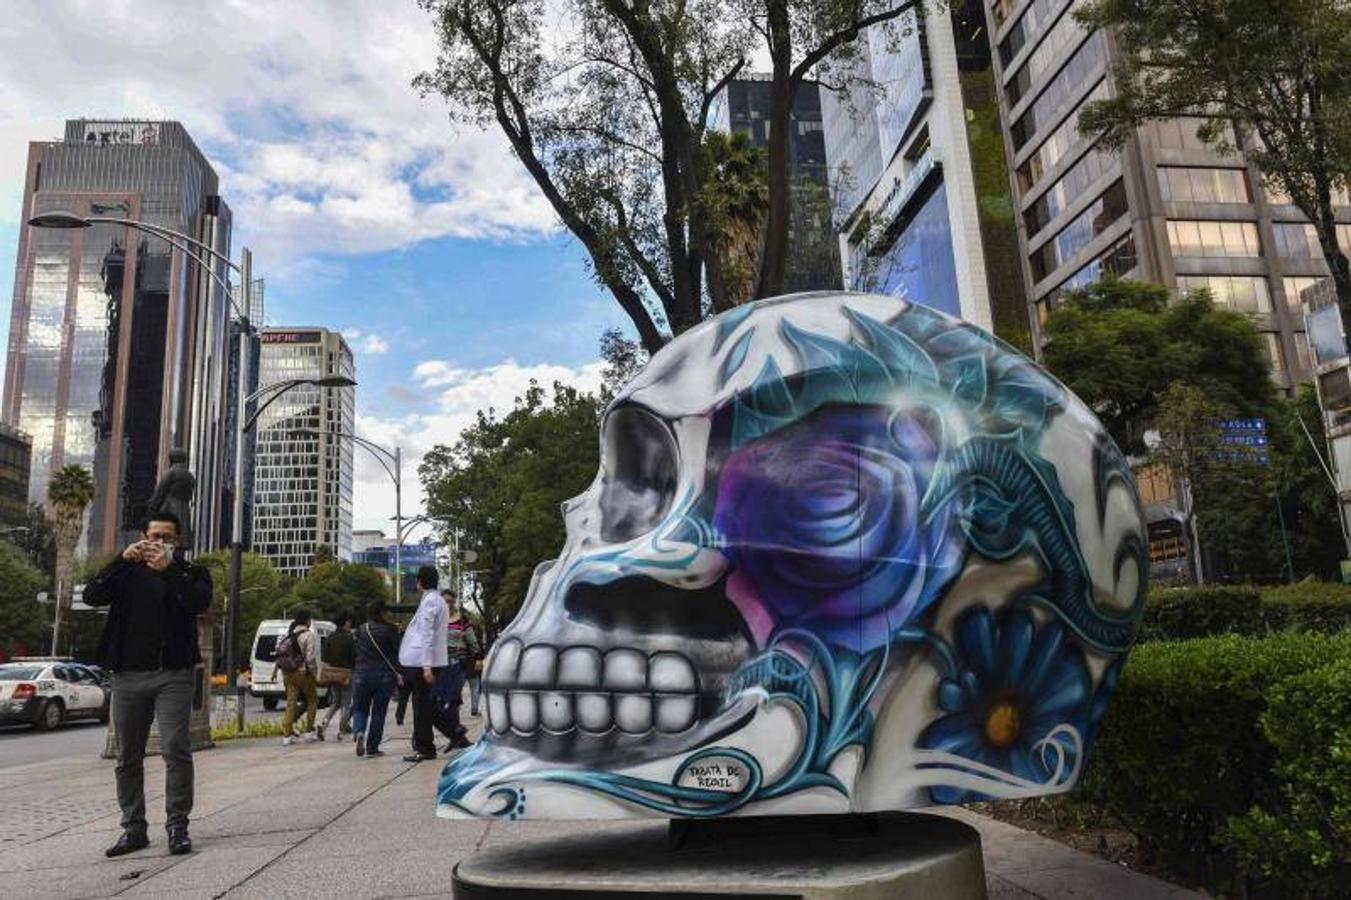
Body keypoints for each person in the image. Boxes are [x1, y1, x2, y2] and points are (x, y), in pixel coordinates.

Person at [83, 511, 212, 858]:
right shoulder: (126, 573)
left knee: (175, 748)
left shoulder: (191, 572)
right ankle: (133, 828)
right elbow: (93, 595)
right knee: (127, 756)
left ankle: (177, 825)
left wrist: (168, 568)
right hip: (127, 674)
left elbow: (199, 601)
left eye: (168, 538)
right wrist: (119, 560)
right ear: (142, 537)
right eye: (154, 536)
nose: (159, 543)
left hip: (173, 673)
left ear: (178, 542)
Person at [398, 566, 449, 762]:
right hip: (431, 660)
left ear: (420, 582)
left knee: (421, 707)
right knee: (426, 706)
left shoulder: (430, 603)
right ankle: (449, 733)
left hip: (424, 663)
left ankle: (425, 747)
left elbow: (426, 635)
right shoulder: (438, 601)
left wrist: (426, 666)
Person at [351, 600, 403, 757]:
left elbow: (356, 651)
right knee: (379, 712)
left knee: (360, 708)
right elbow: (397, 653)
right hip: (384, 675)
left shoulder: (361, 629)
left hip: (362, 673)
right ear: (383, 612)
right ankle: (372, 747)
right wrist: (400, 672)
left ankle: (359, 731)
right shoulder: (391, 629)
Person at [440, 594, 479, 751]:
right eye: (445, 601)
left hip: (458, 665)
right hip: (440, 667)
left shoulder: (462, 621)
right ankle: (457, 734)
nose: (448, 604)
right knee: (441, 703)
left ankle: (456, 736)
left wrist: (476, 658)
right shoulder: (436, 620)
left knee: (453, 701)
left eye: (450, 601)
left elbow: (473, 643)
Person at [280, 611, 319, 744]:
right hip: (303, 672)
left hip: (288, 673)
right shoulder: (309, 635)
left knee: (291, 703)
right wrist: (314, 673)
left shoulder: (287, 636)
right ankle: (309, 731)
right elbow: (310, 657)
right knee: (312, 700)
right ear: (307, 621)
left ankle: (287, 735)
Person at [317, 611, 355, 741]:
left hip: (332, 674)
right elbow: (354, 657)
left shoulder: (330, 637)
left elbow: (324, 657)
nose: (350, 623)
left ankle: (324, 724)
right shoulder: (349, 637)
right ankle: (341, 731)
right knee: (345, 703)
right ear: (345, 622)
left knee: (335, 703)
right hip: (346, 674)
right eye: (349, 621)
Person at [463, 609, 484, 717]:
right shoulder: (473, 633)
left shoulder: (457, 635)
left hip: (461, 664)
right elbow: (477, 647)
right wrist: (479, 659)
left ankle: (453, 709)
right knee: (475, 687)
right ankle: (474, 708)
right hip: (472, 663)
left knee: (458, 688)